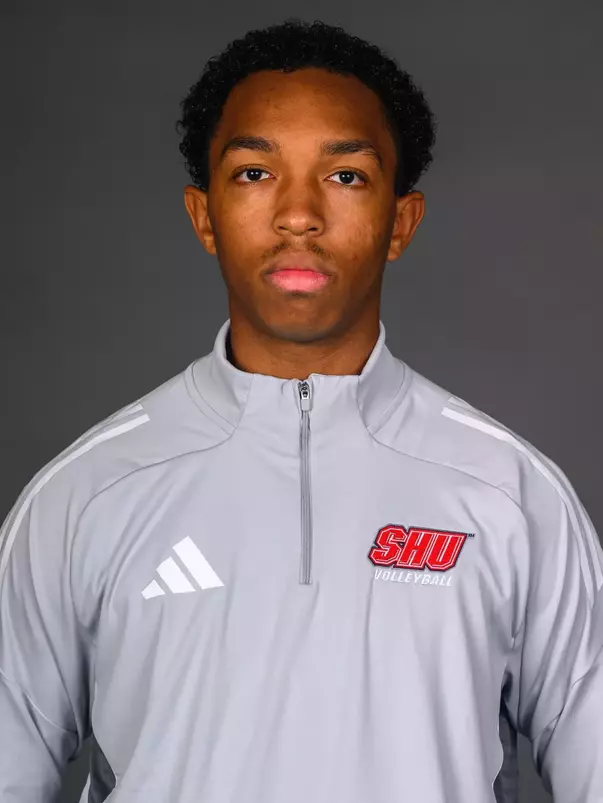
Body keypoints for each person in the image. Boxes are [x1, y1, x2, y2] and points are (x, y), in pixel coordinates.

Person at [0, 17, 601, 803]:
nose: (297, 214)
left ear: (400, 222)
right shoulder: (86, 495)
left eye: (345, 176)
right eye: (254, 172)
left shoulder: (510, 494)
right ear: (204, 215)